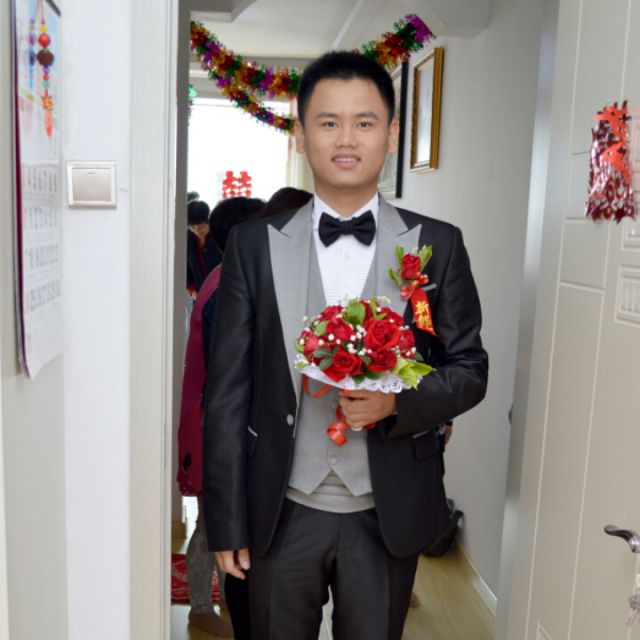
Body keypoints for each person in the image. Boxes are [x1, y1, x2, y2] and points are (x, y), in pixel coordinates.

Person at [202, 51, 488, 640]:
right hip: (280, 507)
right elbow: (227, 392)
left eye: (365, 122)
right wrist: (225, 520)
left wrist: (397, 403)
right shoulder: (254, 245)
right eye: (328, 122)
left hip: (386, 509)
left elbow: (469, 368)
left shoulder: (438, 244)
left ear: (391, 135)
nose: (346, 139)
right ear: (302, 135)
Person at [177, 196, 265, 637]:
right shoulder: (225, 285)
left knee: (223, 521)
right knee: (212, 525)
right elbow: (226, 372)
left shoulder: (228, 275)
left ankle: (227, 598)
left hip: (214, 418)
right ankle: (199, 607)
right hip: (212, 422)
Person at [187, 199, 222, 299]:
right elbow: (185, 267)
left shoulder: (219, 236)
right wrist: (192, 291)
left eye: (201, 226)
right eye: (193, 227)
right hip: (200, 294)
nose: (197, 231)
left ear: (209, 220)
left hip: (222, 293)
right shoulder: (188, 238)